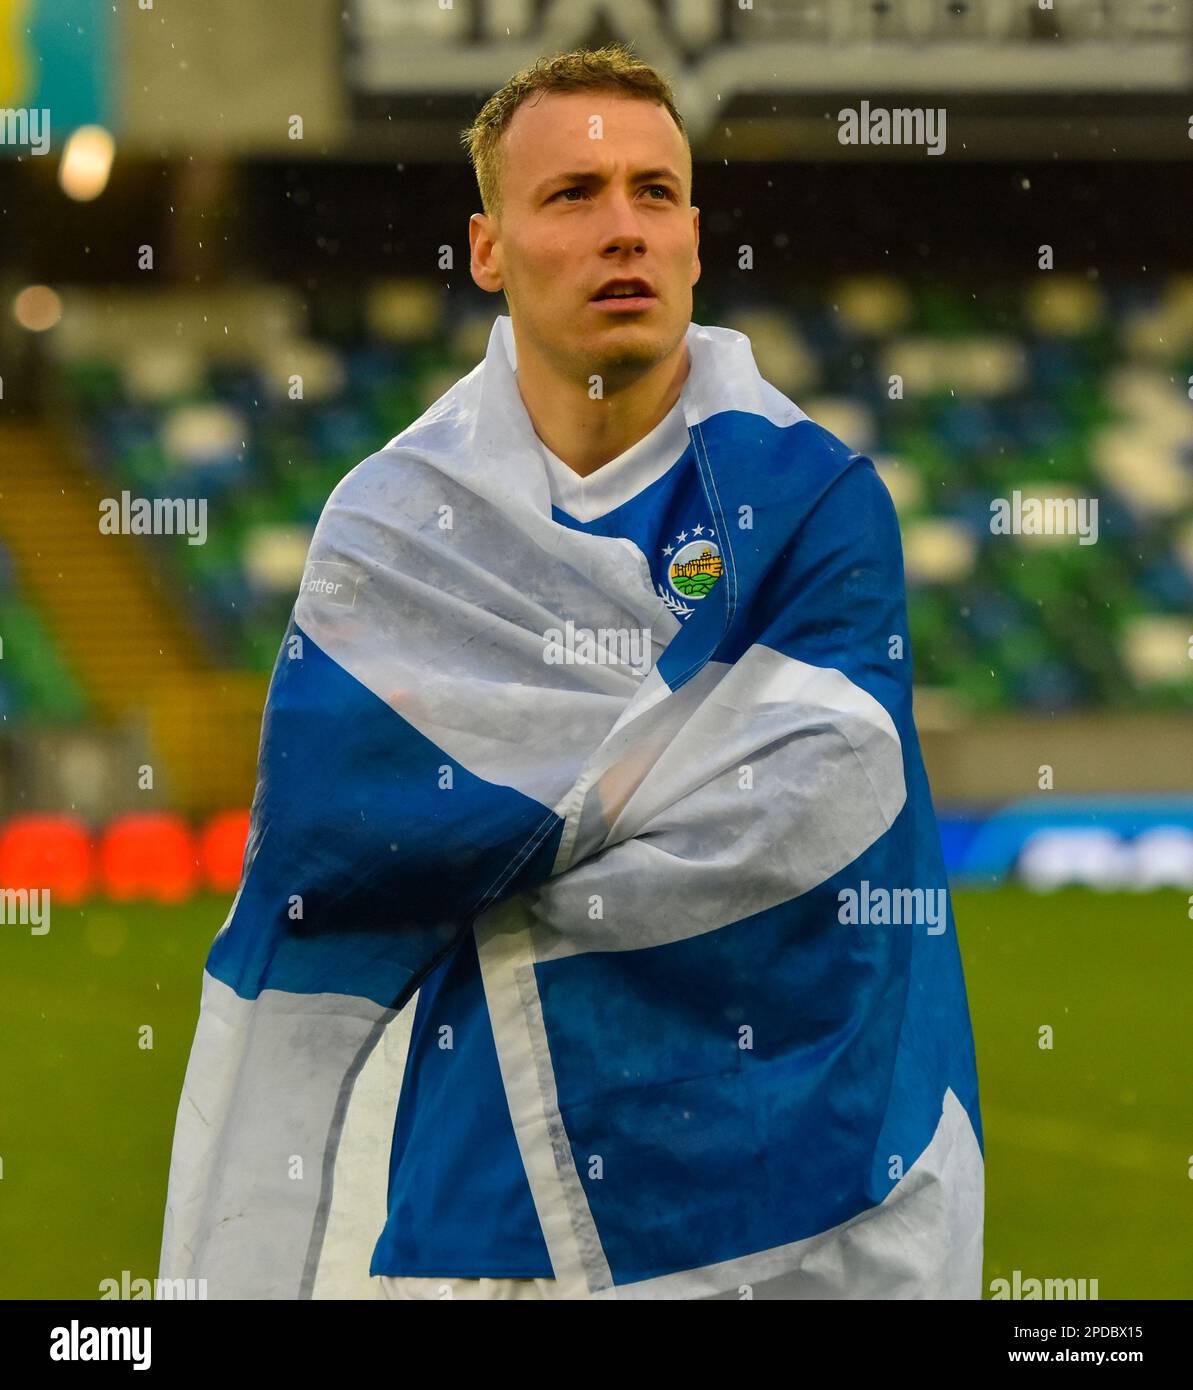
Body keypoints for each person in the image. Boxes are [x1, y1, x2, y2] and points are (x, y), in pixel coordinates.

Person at [160, 43, 983, 1302]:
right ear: (487, 250)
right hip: (484, 1206)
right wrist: (628, 787)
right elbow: (344, 851)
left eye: (654, 194)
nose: (624, 231)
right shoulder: (392, 527)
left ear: (696, 240)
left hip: (790, 1198)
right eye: (572, 196)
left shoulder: (811, 500)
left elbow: (803, 823)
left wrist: (500, 841)